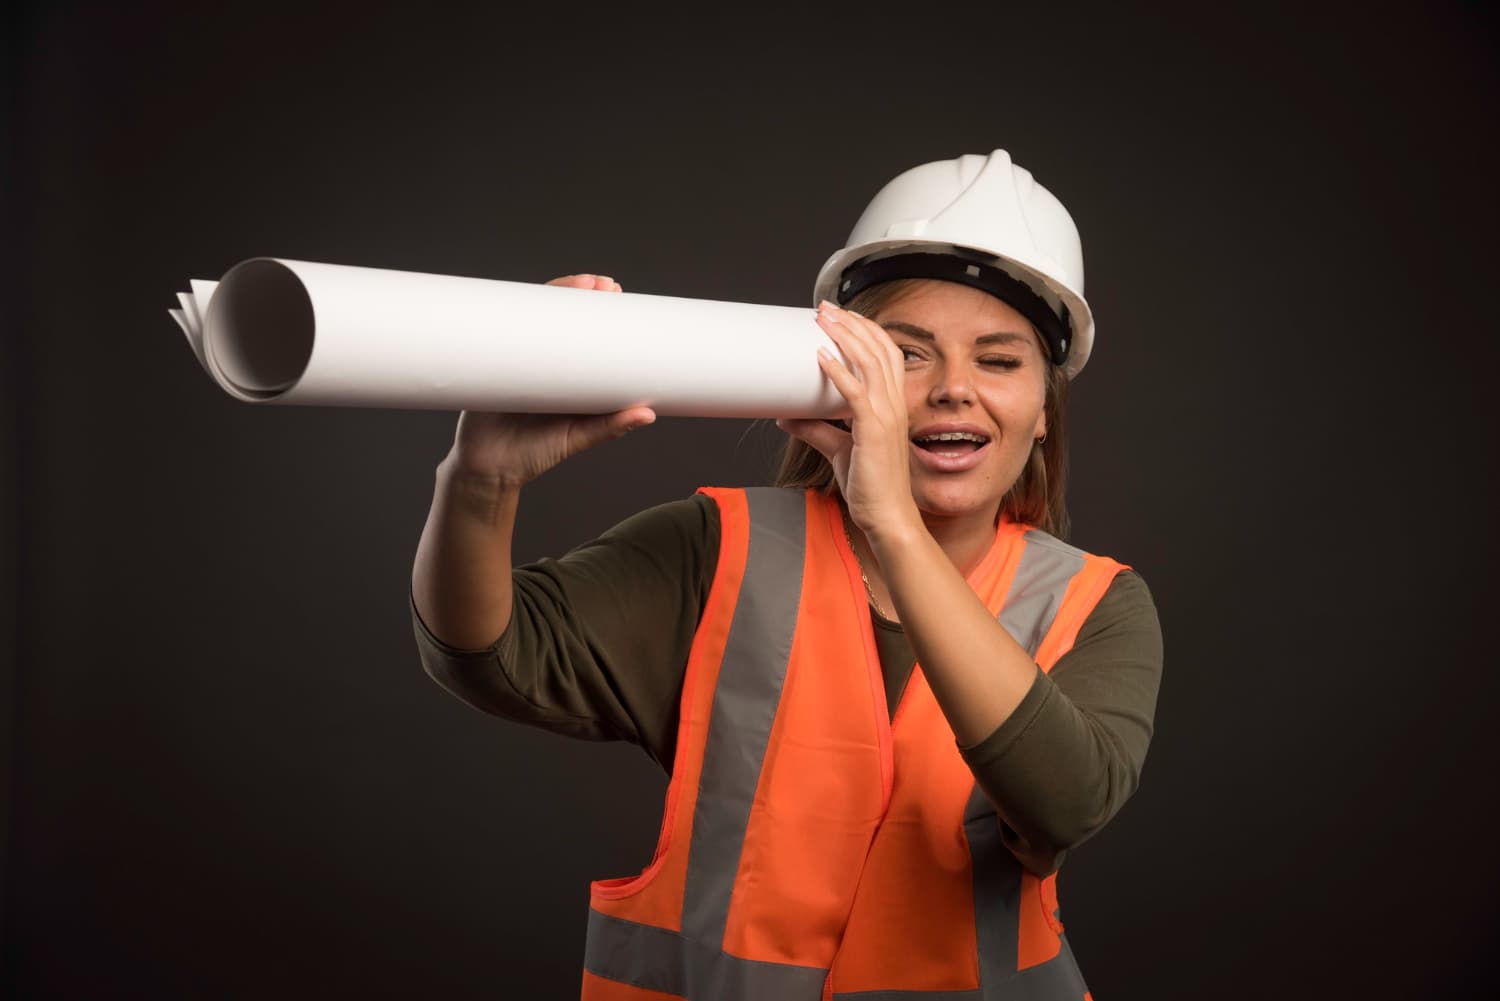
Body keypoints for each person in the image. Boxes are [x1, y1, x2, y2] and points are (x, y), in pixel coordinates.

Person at [410, 150, 1163, 1000]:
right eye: (906, 356)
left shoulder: (1097, 606)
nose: (954, 389)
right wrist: (480, 482)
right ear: (838, 382)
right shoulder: (720, 548)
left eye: (999, 360)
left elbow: (1066, 801)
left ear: (1041, 416)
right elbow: (486, 654)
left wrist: (891, 521)